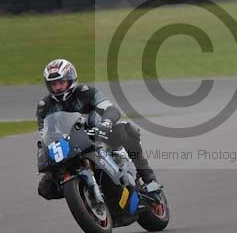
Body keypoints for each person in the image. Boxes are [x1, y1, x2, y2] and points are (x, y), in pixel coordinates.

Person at [36, 58, 159, 200]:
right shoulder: (45, 106)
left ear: (71, 80)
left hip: (97, 136)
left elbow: (110, 109)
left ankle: (149, 178)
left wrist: (106, 123)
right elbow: (44, 134)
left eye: (61, 82)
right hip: (69, 147)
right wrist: (44, 151)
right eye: (53, 84)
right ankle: (82, 192)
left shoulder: (86, 93)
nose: (57, 88)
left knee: (126, 130)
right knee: (45, 188)